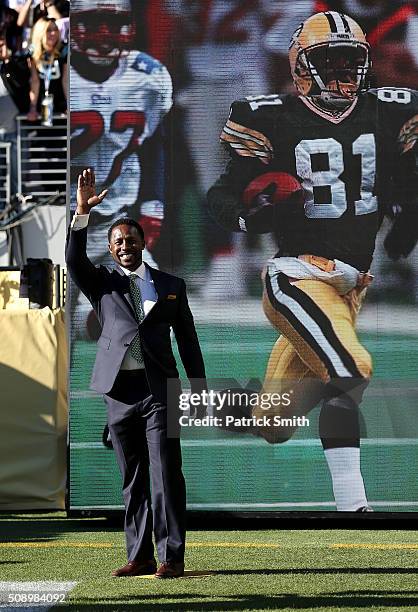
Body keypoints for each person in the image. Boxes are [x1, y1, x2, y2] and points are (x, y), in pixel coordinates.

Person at [207, 11, 418, 511]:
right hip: (297, 276)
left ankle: (201, 407)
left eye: (352, 63)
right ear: (302, 66)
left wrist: (405, 218)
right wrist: (251, 217)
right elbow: (219, 196)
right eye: (333, 62)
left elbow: (407, 179)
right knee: (351, 368)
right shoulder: (269, 116)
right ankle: (354, 507)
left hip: (350, 287)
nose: (344, 75)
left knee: (273, 422)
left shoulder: (391, 111)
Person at [66, 168, 206, 578]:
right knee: (133, 479)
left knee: (165, 474)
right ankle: (140, 554)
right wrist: (81, 213)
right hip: (118, 392)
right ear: (111, 251)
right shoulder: (102, 284)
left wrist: (196, 387)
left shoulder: (170, 284)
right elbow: (73, 260)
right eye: (118, 242)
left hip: (159, 391)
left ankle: (171, 557)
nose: (125, 245)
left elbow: (188, 340)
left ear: (144, 243)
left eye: (131, 239)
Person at [27, 16, 67, 120]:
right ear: (40, 32)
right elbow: (35, 81)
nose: (53, 33)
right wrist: (32, 107)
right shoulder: (33, 53)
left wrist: (69, 105)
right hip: (41, 104)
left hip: (61, 104)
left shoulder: (64, 50)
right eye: (49, 30)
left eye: (55, 29)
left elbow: (66, 80)